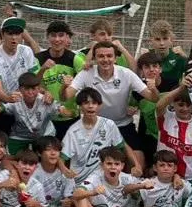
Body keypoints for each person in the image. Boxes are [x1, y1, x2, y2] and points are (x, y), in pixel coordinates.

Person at [65, 41, 156, 172]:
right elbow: (66, 96)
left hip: (123, 124)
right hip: (95, 126)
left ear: (115, 57)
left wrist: (153, 89)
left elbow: (152, 97)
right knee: (93, 166)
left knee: (139, 164)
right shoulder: (86, 73)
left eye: (109, 56)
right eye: (101, 56)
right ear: (95, 58)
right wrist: (64, 86)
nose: (105, 59)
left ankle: (126, 190)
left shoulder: (126, 73)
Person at [60, 88, 132, 176]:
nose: (90, 106)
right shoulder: (73, 131)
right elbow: (62, 157)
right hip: (80, 179)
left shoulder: (109, 124)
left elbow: (123, 146)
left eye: (94, 103)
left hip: (104, 178)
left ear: (100, 106)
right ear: (80, 106)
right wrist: (64, 170)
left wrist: (137, 165)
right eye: (86, 103)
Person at [36, 20, 85, 139]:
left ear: (67, 37)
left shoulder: (75, 59)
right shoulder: (38, 58)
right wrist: (42, 70)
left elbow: (87, 82)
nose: (57, 39)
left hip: (69, 118)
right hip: (44, 118)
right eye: (53, 35)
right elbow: (32, 85)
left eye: (61, 35)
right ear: (47, 37)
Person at [0, 71, 58, 155]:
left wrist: (68, 112)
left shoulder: (46, 99)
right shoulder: (14, 99)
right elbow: (1, 108)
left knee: (48, 157)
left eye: (34, 89)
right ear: (20, 89)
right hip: (19, 135)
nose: (30, 92)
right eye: (26, 89)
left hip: (45, 134)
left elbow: (62, 110)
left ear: (38, 89)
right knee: (10, 158)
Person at [0, 18, 38, 114]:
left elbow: (33, 80)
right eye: (10, 34)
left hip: (26, 104)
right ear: (3, 35)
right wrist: (8, 98)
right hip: (6, 105)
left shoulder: (26, 51)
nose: (14, 37)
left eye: (17, 34)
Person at [147, 20, 187, 92]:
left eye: (165, 39)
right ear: (151, 40)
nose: (162, 43)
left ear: (171, 40)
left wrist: (186, 58)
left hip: (174, 100)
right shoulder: (146, 57)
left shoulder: (179, 57)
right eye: (157, 39)